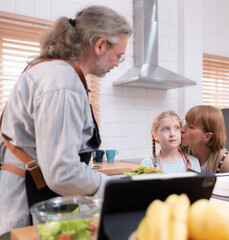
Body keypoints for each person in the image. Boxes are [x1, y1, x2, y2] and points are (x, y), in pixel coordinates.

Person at [0, 5, 133, 236]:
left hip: (24, 200)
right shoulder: (63, 82)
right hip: (25, 211)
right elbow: (63, 172)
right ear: (100, 45)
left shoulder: (53, 71)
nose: (118, 63)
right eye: (119, 55)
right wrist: (115, 188)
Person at [181, 105, 229, 173]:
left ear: (207, 137)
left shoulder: (224, 160)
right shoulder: (179, 150)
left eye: (190, 127)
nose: (182, 129)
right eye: (185, 123)